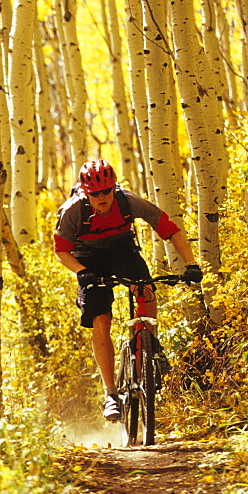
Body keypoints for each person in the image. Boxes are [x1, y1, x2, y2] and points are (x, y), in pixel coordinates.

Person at [53, 160, 202, 421]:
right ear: (85, 192)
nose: (102, 197)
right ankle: (110, 394)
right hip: (87, 258)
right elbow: (61, 251)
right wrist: (81, 271)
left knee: (145, 288)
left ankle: (150, 344)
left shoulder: (128, 201)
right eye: (95, 193)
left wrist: (191, 264)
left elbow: (170, 229)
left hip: (121, 249)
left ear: (113, 188)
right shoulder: (72, 211)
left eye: (106, 191)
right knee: (101, 319)